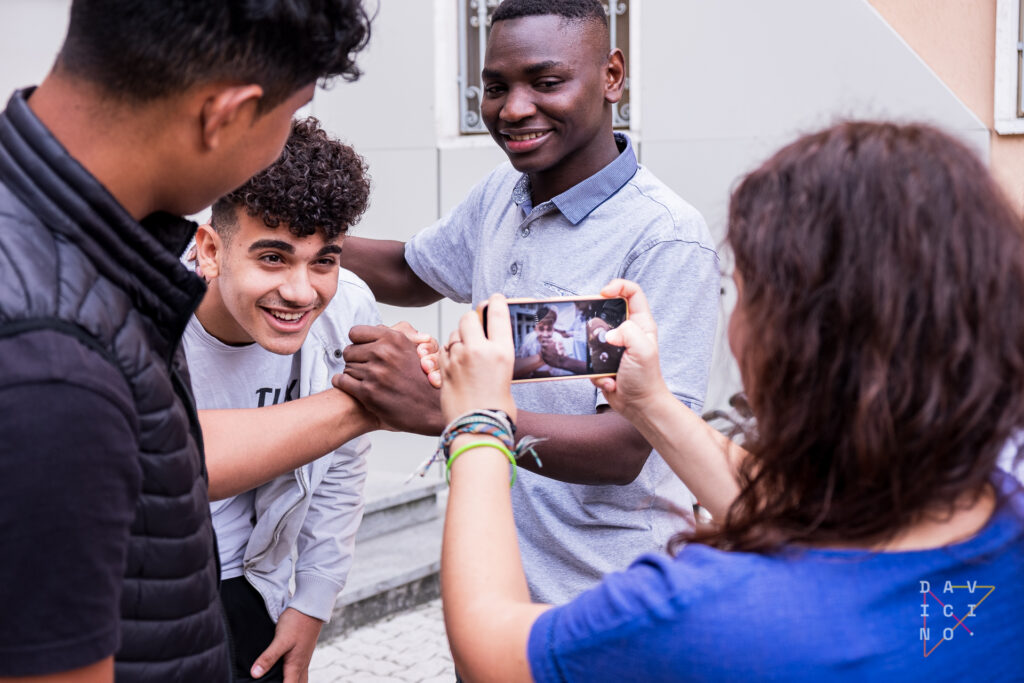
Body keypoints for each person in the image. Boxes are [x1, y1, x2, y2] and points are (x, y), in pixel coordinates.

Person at [435, 121, 1024, 681]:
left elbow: (494, 649)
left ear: (796, 343)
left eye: (737, 291)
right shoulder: (1000, 512)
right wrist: (651, 403)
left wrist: (479, 425)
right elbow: (800, 514)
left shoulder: (711, 612)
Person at [0, 2, 371, 680]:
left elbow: (171, 451)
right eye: (285, 118)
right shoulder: (52, 362)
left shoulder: (83, 256)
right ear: (225, 114)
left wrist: (365, 406)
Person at [337, 0, 720, 603]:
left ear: (612, 77)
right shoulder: (502, 191)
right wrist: (298, 244)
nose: (513, 109)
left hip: (611, 602)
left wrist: (447, 409)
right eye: (495, 87)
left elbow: (625, 448)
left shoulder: (665, 237)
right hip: (498, 593)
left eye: (546, 82)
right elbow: (413, 270)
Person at [184, 117, 374, 682]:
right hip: (138, 579)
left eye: (325, 260)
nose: (300, 291)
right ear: (211, 250)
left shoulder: (346, 313)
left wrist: (311, 601)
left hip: (250, 582)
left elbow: (341, 465)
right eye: (273, 257)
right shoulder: (138, 314)